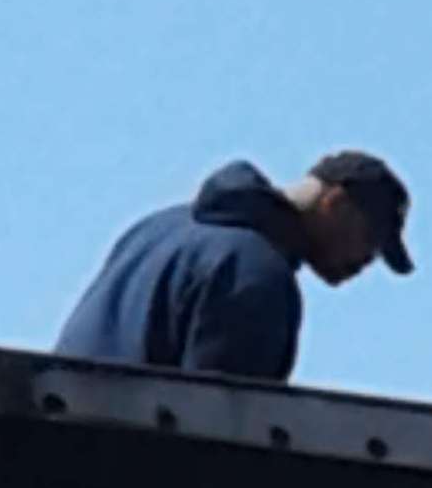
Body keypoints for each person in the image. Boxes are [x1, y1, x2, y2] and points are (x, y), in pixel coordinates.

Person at [55, 152, 413, 381]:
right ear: (334, 204)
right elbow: (222, 438)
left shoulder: (155, 228)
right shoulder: (255, 274)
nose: (369, 261)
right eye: (371, 239)